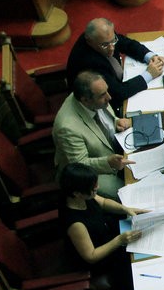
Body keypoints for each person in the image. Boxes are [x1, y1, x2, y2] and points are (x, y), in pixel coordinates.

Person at [59, 163, 145, 290]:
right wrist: (119, 240)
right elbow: (91, 256)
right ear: (77, 193)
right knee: (132, 264)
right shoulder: (75, 224)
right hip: (99, 256)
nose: (97, 188)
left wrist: (125, 208)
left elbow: (104, 202)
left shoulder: (83, 197)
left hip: (105, 232)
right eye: (93, 189)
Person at [54, 71, 135, 200]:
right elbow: (79, 164)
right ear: (85, 100)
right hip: (87, 173)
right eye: (103, 95)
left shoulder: (95, 98)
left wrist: (116, 122)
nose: (109, 97)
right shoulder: (67, 128)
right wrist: (107, 162)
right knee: (129, 192)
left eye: (107, 91)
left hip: (111, 152)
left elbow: (104, 118)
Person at [66, 18, 164, 108]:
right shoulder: (90, 64)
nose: (112, 48)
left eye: (113, 40)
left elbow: (126, 44)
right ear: (89, 41)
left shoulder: (104, 37)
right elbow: (118, 93)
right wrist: (149, 74)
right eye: (105, 45)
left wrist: (150, 56)